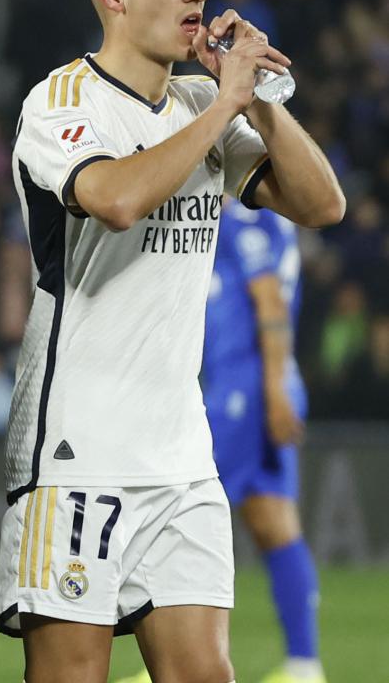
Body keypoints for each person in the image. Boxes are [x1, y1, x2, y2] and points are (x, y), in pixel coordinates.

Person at [0, 0, 346, 683]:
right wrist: (222, 105)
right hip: (74, 454)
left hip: (183, 458)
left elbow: (323, 205)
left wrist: (254, 99)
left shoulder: (199, 105)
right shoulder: (62, 102)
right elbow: (116, 199)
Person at [204, 202, 323, 683]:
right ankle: (304, 664)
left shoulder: (243, 218)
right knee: (274, 523)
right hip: (260, 384)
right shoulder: (271, 219)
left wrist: (272, 389)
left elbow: (269, 301)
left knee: (177, 516)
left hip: (245, 388)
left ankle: (169, 663)